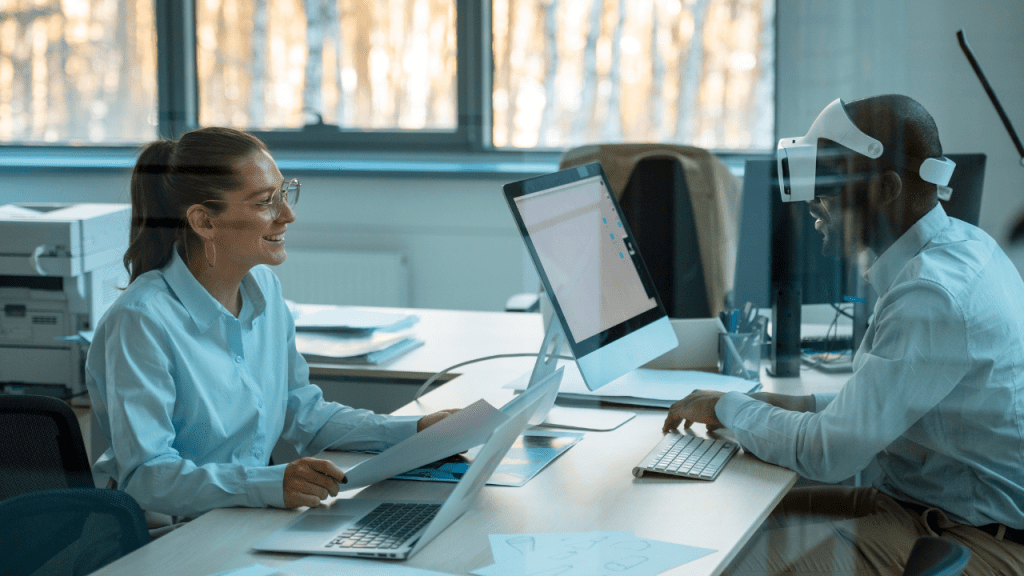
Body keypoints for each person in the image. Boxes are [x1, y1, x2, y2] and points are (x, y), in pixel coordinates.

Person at [664, 95, 1024, 575]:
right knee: (725, 529)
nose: (814, 199)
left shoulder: (931, 294)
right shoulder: (960, 247)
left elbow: (828, 452)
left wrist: (729, 407)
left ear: (885, 189)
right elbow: (875, 406)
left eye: (828, 181)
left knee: (731, 564)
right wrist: (775, 403)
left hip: (971, 539)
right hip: (925, 510)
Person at [86, 127, 458, 529]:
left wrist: (414, 431)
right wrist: (270, 483)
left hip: (241, 516)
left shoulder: (263, 289)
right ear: (204, 222)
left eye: (285, 193)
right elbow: (147, 477)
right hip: (168, 534)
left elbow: (302, 413)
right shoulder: (141, 321)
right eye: (266, 202)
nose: (288, 214)